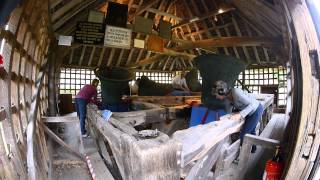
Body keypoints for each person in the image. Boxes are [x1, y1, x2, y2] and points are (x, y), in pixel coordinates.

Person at [212, 80, 264, 153]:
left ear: (222, 91)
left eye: (217, 95)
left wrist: (240, 115)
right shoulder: (228, 97)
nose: (216, 97)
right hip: (249, 111)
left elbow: (252, 105)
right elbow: (232, 108)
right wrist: (230, 115)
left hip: (256, 110)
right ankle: (253, 150)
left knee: (244, 135)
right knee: (251, 130)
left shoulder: (236, 92)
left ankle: (244, 155)